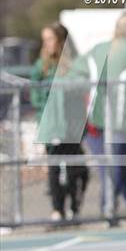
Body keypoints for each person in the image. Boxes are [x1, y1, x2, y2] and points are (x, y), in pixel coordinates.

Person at [72, 11, 126, 216]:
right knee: (115, 168)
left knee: (113, 167)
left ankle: (112, 207)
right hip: (120, 122)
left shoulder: (99, 50)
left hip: (100, 120)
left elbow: (74, 75)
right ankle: (124, 207)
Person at [30, 22, 89, 222]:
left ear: (61, 40)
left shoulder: (74, 63)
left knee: (76, 168)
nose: (47, 44)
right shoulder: (41, 66)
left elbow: (82, 84)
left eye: (51, 39)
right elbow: (36, 95)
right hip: (52, 127)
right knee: (54, 168)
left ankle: (74, 207)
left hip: (71, 126)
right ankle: (58, 210)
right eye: (44, 40)